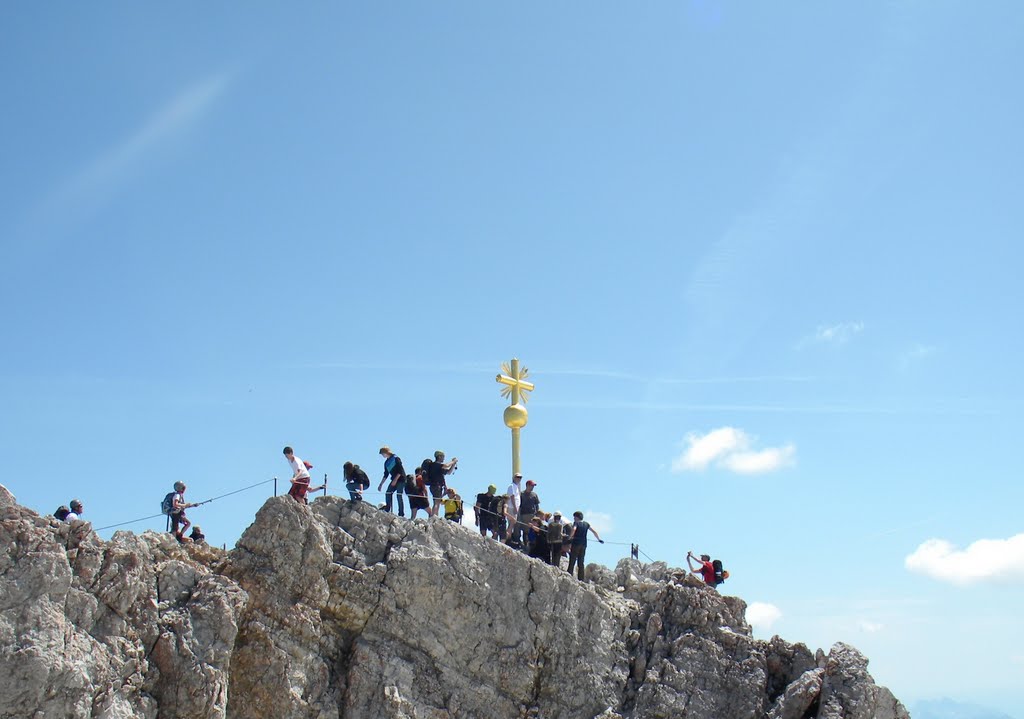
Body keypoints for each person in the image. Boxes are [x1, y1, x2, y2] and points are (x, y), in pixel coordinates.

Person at [566, 511, 603, 581]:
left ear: (577, 517)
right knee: (581, 562)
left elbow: (574, 529)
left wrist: (569, 538)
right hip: (583, 545)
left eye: (574, 517)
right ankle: (581, 579)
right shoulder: (586, 524)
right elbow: (594, 531)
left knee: (572, 560)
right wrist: (599, 539)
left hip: (576, 544)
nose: (574, 518)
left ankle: (569, 575)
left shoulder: (576, 523)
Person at [377, 446, 407, 516]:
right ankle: (387, 509)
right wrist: (381, 484)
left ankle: (401, 513)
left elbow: (400, 470)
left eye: (383, 453)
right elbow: (386, 474)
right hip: (394, 479)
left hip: (401, 479)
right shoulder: (386, 463)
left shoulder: (396, 458)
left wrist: (395, 480)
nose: (382, 455)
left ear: (386, 452)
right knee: (388, 493)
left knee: (399, 495)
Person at [427, 450, 458, 518]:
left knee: (436, 501)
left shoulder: (436, 466)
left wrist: (453, 464)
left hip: (434, 486)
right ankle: (434, 517)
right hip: (437, 486)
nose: (443, 458)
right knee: (437, 502)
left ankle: (435, 516)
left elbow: (449, 472)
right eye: (443, 457)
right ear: (439, 456)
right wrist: (453, 461)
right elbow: (446, 465)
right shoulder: (436, 465)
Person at [512, 479, 540, 548]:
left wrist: (537, 515)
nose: (532, 487)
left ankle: (530, 545)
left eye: (533, 486)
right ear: (527, 485)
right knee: (525, 531)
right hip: (523, 515)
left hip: (532, 515)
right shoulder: (521, 494)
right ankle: (525, 544)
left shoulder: (534, 495)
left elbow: (537, 505)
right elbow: (519, 505)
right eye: (531, 486)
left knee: (531, 531)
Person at [504, 473, 523, 544]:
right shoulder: (511, 486)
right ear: (514, 478)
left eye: (520, 477)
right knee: (511, 523)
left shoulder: (516, 486)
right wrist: (515, 507)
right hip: (512, 507)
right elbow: (512, 497)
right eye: (517, 477)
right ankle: (506, 538)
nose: (519, 479)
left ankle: (508, 538)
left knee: (512, 524)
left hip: (515, 507)